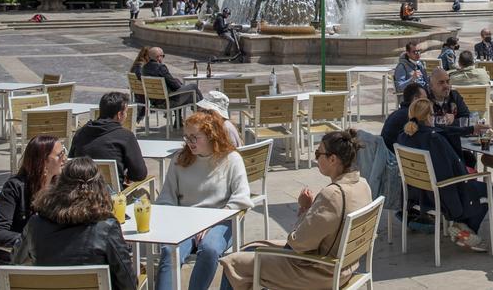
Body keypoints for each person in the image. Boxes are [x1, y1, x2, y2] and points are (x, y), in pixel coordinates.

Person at [219, 131, 373, 289]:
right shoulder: (363, 184)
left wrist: (305, 208)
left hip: (320, 272)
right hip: (347, 266)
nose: (315, 157)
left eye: (318, 153)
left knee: (233, 262)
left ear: (332, 159)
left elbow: (298, 243)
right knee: (251, 248)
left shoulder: (332, 194)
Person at [155, 111, 251, 290]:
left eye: (194, 137)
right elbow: (166, 197)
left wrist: (212, 222)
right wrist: (172, 220)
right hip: (186, 220)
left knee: (210, 249)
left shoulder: (231, 159)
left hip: (222, 220)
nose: (189, 142)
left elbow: (242, 198)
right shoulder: (180, 159)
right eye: (187, 137)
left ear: (211, 136)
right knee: (169, 250)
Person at [11, 157, 135, 290]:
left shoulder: (35, 223)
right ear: (100, 187)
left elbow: (16, 261)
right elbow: (128, 283)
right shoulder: (106, 227)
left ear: (59, 185)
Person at [397, 99, 490, 251]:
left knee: (471, 184)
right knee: (486, 189)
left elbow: (443, 129)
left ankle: (462, 228)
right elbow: (450, 172)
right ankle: (465, 229)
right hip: (440, 196)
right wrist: (467, 175)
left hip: (417, 194)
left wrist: (471, 129)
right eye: (433, 114)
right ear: (429, 117)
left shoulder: (404, 136)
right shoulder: (434, 139)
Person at [0, 135, 65, 272]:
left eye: (64, 152)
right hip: (15, 258)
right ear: (44, 162)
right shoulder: (15, 187)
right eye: (60, 155)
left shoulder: (60, 185)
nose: (65, 159)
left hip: (48, 255)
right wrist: (33, 240)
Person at [69, 92, 147, 187]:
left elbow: (71, 164)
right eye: (126, 112)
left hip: (81, 193)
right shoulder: (125, 136)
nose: (126, 116)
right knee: (145, 192)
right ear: (119, 115)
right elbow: (140, 174)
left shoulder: (80, 133)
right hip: (112, 197)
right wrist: (128, 176)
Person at [381, 83, 428, 151]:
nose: (427, 102)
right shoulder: (411, 117)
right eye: (425, 99)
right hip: (394, 158)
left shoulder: (397, 113)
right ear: (416, 99)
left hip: (388, 154)